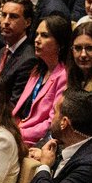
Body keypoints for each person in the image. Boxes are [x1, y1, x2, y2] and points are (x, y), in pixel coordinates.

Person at [14, 15, 71, 146]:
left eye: (44, 35)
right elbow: (21, 110)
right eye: (37, 34)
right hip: (18, 130)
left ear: (60, 43)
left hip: (34, 140)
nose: (37, 40)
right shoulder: (37, 70)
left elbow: (52, 123)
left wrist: (18, 132)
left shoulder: (64, 76)